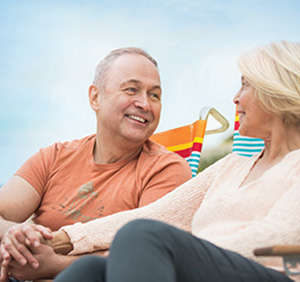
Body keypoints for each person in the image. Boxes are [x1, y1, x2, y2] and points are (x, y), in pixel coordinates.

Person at [50, 40, 300, 282]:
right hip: (208, 267)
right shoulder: (233, 164)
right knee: (90, 269)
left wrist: (185, 252)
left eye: (245, 85)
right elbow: (159, 215)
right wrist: (61, 239)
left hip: (272, 274)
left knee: (141, 237)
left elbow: (281, 235)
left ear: (276, 92)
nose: (235, 98)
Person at [0, 48, 192, 281]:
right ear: (95, 97)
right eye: (132, 90)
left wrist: (55, 265)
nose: (145, 104)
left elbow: (147, 255)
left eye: (155, 95)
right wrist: (15, 232)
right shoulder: (54, 157)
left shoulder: (167, 170)